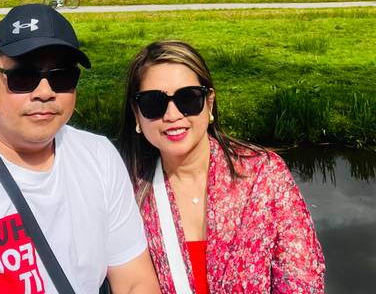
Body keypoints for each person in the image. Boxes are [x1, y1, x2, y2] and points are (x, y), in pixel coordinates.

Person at [0, 4, 160, 294]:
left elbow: (135, 281)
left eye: (61, 77)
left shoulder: (100, 158)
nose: (45, 92)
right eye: (23, 77)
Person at [120, 40, 325, 293]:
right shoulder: (123, 189)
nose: (172, 115)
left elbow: (302, 282)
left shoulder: (265, 176)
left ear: (209, 103)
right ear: (136, 112)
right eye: (153, 102)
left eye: (188, 98)